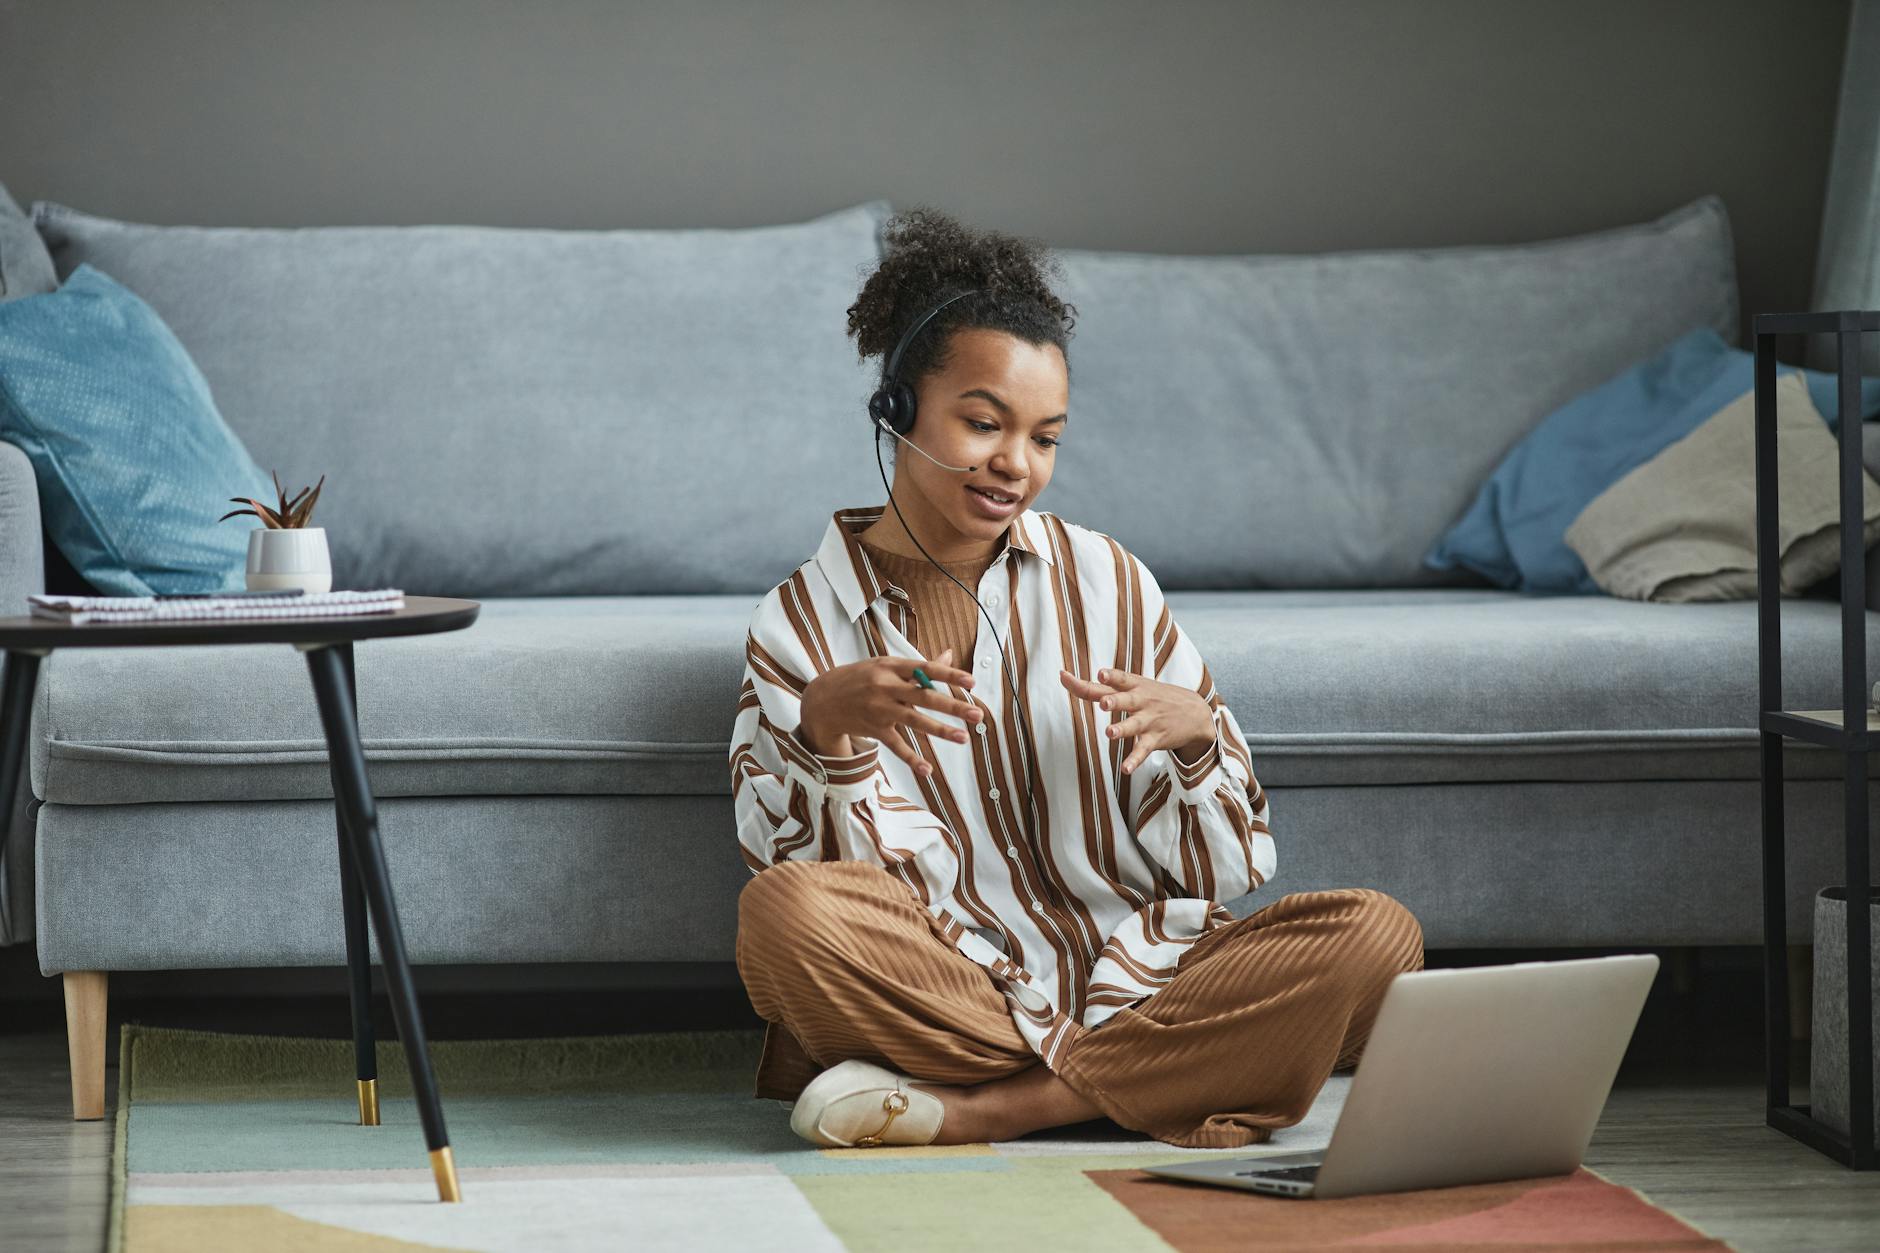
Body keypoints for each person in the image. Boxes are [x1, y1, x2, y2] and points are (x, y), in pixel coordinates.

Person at [729, 206, 1423, 1149]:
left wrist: (1199, 742)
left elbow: (1224, 872)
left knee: (1381, 939)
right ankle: (1179, 1074)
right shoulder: (800, 624)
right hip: (957, 987)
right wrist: (828, 735)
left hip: (1146, 970)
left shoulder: (1110, 580)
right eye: (983, 423)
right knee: (783, 916)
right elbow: (815, 890)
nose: (1016, 464)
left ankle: (999, 1107)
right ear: (897, 412)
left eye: (1045, 438)